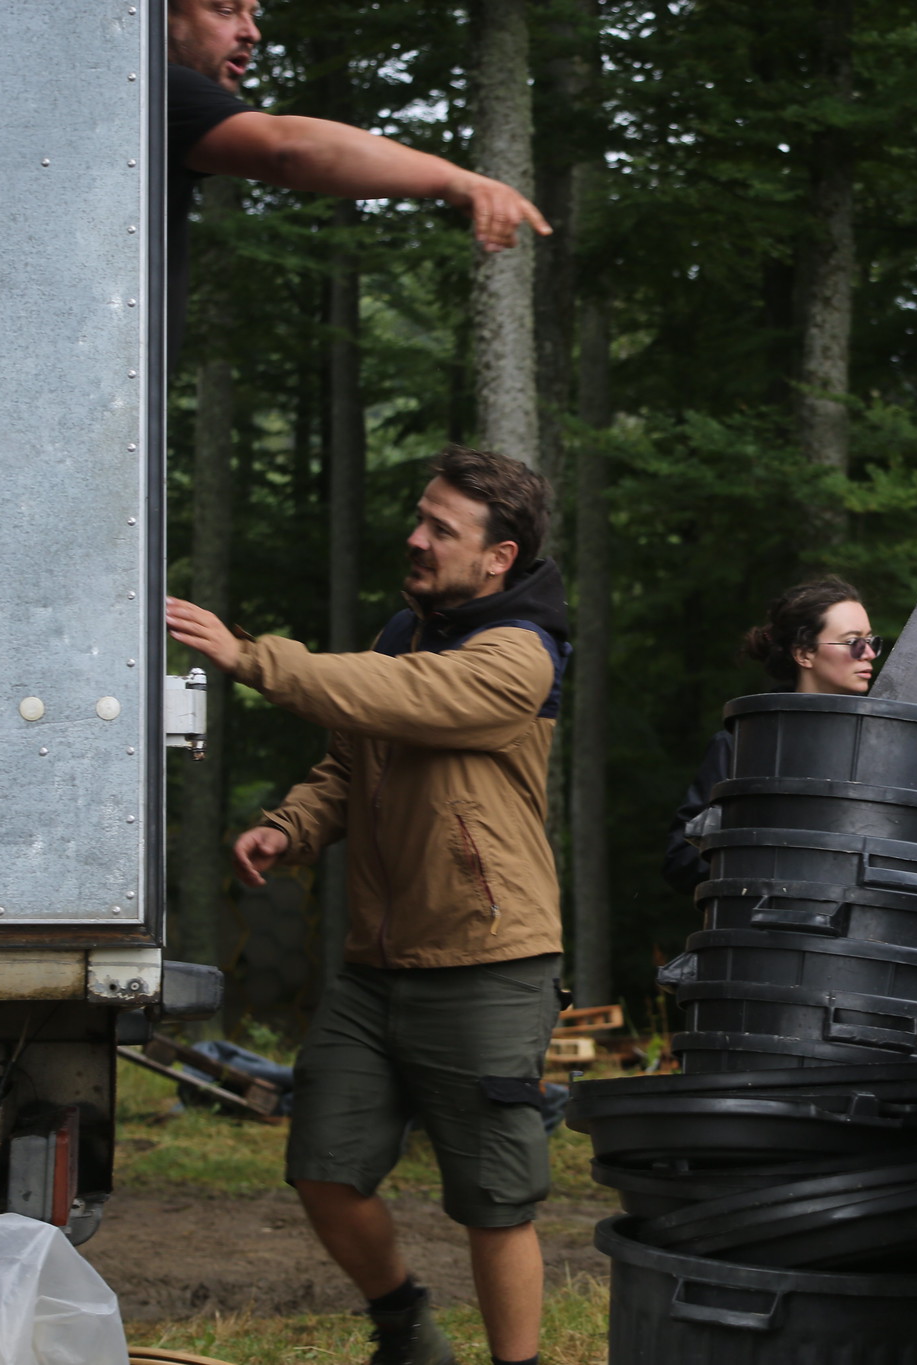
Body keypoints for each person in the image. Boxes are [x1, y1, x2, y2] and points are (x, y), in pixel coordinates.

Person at [166, 446, 569, 1365]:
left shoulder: (519, 656)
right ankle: (407, 1332)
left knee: (494, 1198)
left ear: (498, 557)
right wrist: (292, 826)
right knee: (322, 1165)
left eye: (440, 528)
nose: (415, 536)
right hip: (376, 970)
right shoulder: (406, 632)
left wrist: (252, 656)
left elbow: (399, 700)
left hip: (488, 963)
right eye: (418, 517)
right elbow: (353, 762)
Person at [166, 0, 548, 354]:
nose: (252, 32)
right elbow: (288, 149)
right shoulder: (158, 88)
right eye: (225, 10)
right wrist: (456, 181)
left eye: (253, 13)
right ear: (160, 17)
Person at [661, 578, 879, 894]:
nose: (869, 653)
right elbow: (681, 860)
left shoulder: (882, 743)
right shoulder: (740, 745)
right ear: (804, 654)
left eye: (871, 641)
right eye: (853, 642)